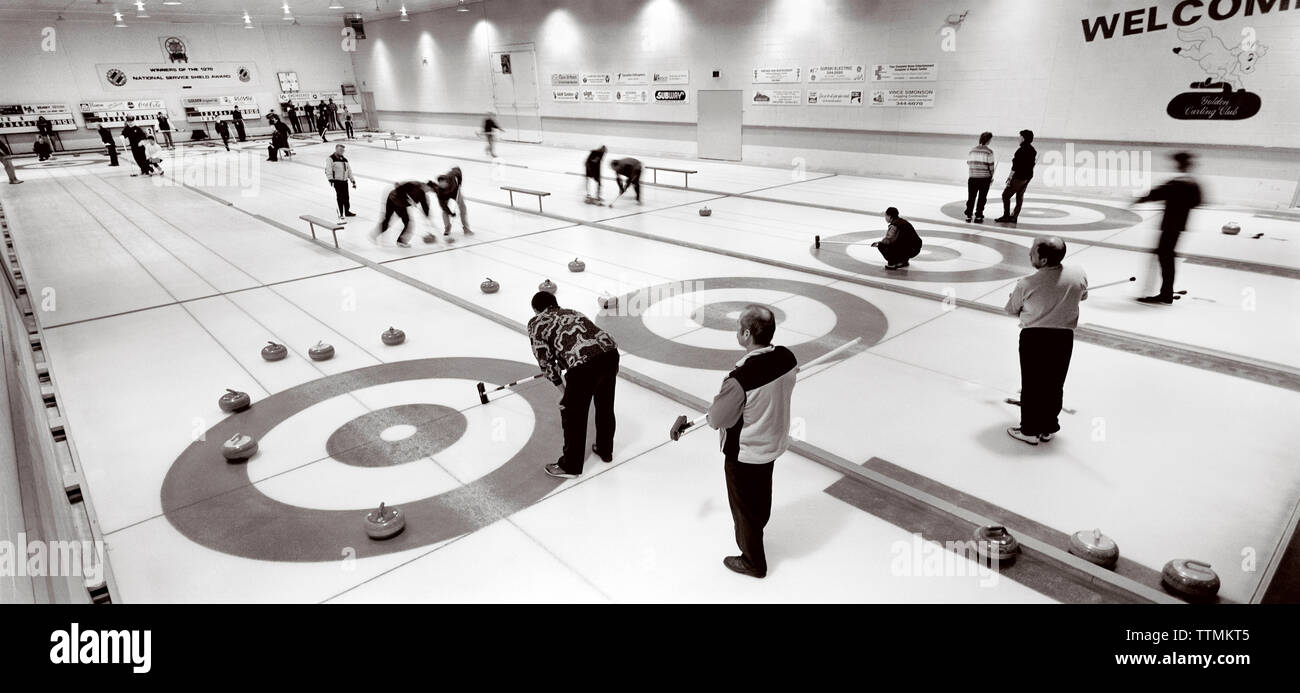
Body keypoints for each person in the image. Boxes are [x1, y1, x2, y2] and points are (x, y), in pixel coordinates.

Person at [670, 305, 797, 579]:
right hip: (772, 443)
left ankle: (753, 560)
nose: (737, 331)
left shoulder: (740, 379)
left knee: (744, 507)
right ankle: (757, 532)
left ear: (747, 333)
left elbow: (716, 419)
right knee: (761, 498)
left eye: (739, 327)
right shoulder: (787, 358)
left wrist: (730, 402)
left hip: (746, 452)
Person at [1003, 236, 1087, 445]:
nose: (1029, 253)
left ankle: (1029, 430)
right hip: (1064, 337)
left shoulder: (1026, 283)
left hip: (1035, 337)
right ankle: (1048, 426)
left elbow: (1011, 310)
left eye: (1033, 251)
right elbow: (1082, 296)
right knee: (1054, 382)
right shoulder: (1078, 273)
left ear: (1042, 260)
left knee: (1032, 383)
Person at [527, 290, 620, 479]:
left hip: (584, 364)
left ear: (536, 310)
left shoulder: (536, 323)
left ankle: (570, 465)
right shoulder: (572, 312)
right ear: (555, 303)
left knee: (572, 412)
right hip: (610, 354)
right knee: (605, 404)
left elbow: (546, 363)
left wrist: (564, 392)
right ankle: (605, 449)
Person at [1133, 152, 1202, 306]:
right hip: (1179, 226)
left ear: (1179, 164)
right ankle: (1166, 292)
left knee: (1165, 258)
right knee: (1167, 258)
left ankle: (1166, 294)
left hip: (1170, 226)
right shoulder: (1193, 183)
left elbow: (1157, 193)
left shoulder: (1179, 182)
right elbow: (1197, 201)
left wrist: (1138, 200)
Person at [370, 180, 436, 248]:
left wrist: (427, 215)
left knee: (405, 222)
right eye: (429, 189)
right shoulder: (414, 184)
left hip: (399, 203)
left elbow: (424, 206)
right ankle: (400, 241)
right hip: (394, 199)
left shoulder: (422, 194)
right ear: (427, 185)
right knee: (402, 221)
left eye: (430, 191)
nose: (428, 191)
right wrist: (407, 198)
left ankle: (376, 235)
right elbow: (399, 189)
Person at [995, 130, 1036, 223]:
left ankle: (1006, 216)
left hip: (1019, 177)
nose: (1018, 138)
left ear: (1023, 138)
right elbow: (1031, 165)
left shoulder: (1020, 150)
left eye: (1020, 136)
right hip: (1027, 177)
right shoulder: (1033, 150)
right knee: (1019, 196)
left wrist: (1009, 178)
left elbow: (1015, 167)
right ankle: (1014, 217)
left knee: (1005, 195)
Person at [964, 131, 995, 223]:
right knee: (982, 197)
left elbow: (968, 162)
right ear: (988, 140)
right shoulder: (989, 152)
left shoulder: (972, 150)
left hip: (973, 177)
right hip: (985, 178)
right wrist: (991, 176)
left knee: (971, 197)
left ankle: (969, 215)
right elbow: (991, 166)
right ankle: (978, 216)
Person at [325, 144, 357, 223]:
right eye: (340, 150)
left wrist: (352, 180)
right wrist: (330, 179)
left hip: (344, 181)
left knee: (346, 197)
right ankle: (341, 213)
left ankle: (346, 211)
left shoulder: (345, 159)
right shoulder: (331, 158)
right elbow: (328, 169)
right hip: (337, 181)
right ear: (336, 149)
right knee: (340, 197)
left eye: (342, 150)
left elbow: (349, 171)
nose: (341, 152)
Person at [434, 167, 470, 236]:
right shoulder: (439, 191)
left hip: (455, 192)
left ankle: (466, 228)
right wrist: (450, 213)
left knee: (463, 208)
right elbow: (443, 206)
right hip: (445, 196)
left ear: (447, 181)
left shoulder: (451, 175)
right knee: (445, 212)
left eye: (442, 182)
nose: (441, 184)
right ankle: (447, 227)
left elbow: (457, 169)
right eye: (439, 183)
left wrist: (459, 182)